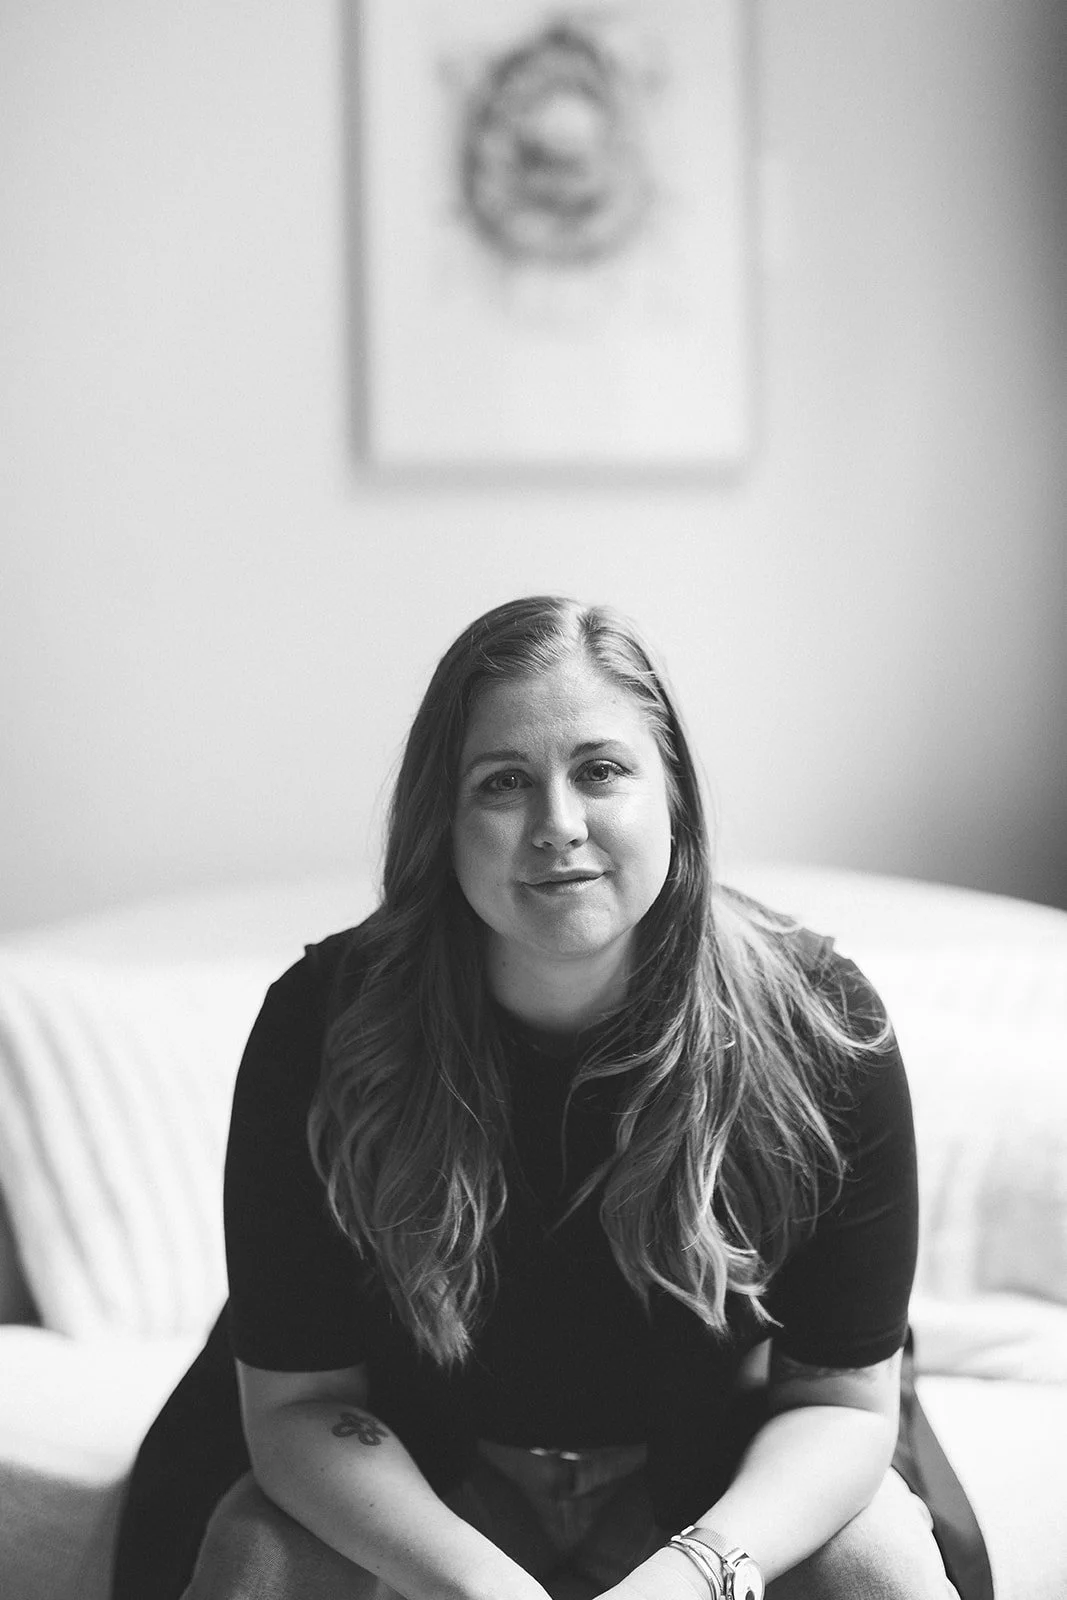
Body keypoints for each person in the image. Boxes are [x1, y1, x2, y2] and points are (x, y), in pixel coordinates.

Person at [112, 596, 992, 1600]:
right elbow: (300, 1403)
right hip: (416, 1474)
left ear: (674, 799)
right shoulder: (321, 1027)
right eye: (502, 782)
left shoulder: (821, 1026)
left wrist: (694, 1574)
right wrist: (482, 1588)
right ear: (441, 820)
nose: (556, 825)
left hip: (721, 1474)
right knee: (254, 1560)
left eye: (600, 770)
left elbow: (839, 1402)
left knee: (881, 1565)